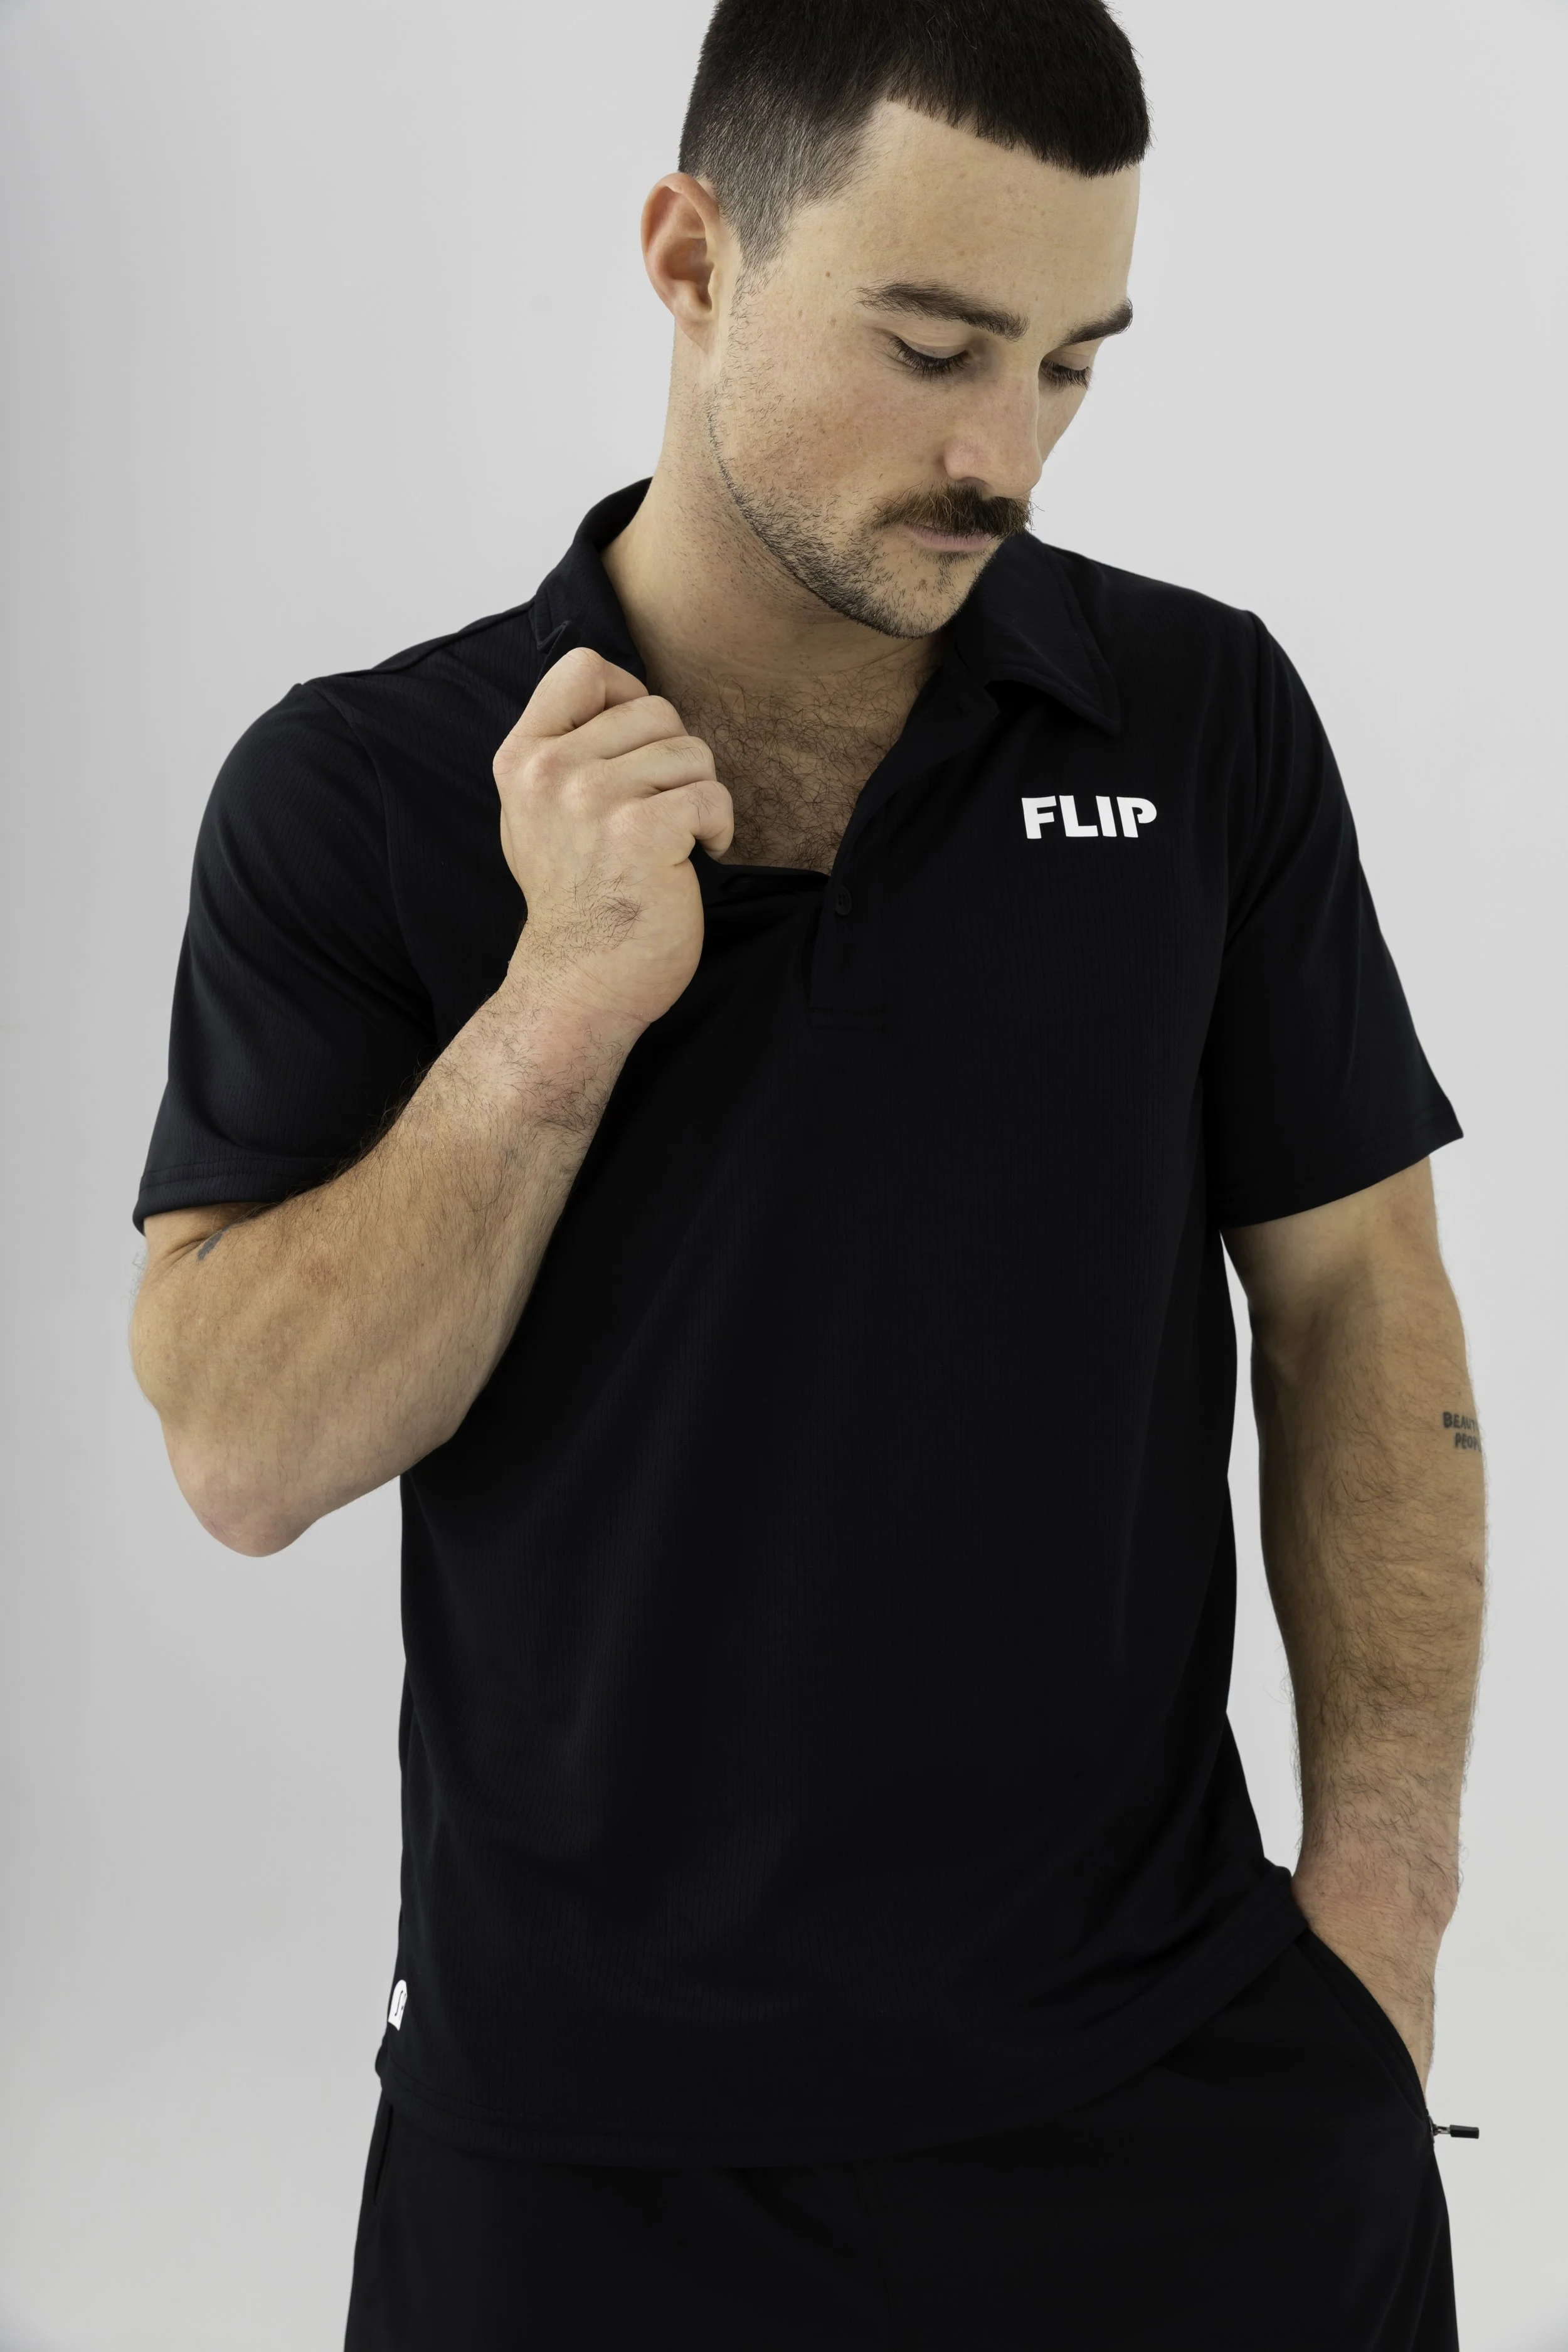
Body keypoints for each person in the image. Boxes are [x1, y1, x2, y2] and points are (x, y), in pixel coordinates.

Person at [127, 1, 1486, 2343]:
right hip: (576, 2164)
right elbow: (245, 1453)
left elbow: (1358, 1291)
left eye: (1071, 363)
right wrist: (557, 1013)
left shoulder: (1200, 722)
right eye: (932, 346)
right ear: (691, 258)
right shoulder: (361, 789)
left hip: (1178, 2107)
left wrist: (1381, 1925)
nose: (1002, 453)